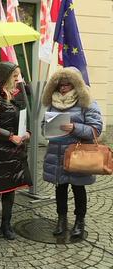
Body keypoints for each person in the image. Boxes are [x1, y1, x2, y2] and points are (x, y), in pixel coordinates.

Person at [41, 67, 102, 238]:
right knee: (60, 188)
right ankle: (61, 220)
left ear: (75, 84)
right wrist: (46, 128)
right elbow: (43, 128)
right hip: (56, 152)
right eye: (60, 85)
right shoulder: (53, 101)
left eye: (66, 85)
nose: (62, 88)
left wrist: (74, 128)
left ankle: (79, 222)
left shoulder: (86, 101)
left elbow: (96, 129)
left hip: (77, 154)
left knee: (78, 189)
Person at [0, 61, 32, 240]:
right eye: (15, 76)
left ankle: (6, 224)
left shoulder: (14, 95)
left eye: (18, 76)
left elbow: (23, 119)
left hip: (14, 152)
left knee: (10, 190)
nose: (18, 79)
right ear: (4, 77)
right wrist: (10, 136)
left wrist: (27, 132)